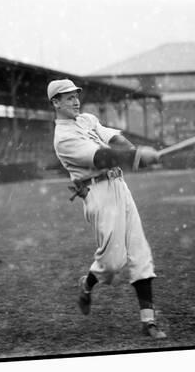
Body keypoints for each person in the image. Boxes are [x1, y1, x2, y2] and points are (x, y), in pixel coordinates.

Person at [47, 78, 167, 339]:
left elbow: (114, 138)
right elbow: (102, 156)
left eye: (76, 95)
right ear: (55, 103)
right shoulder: (64, 138)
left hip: (119, 185)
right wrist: (137, 157)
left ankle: (148, 321)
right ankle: (87, 283)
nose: (76, 100)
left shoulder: (87, 120)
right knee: (113, 263)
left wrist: (134, 150)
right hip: (98, 193)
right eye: (68, 97)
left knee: (139, 251)